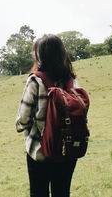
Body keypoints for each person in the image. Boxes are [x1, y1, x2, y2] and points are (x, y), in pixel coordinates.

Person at [16, 34, 79, 197]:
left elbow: (23, 118)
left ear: (39, 55)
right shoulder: (71, 80)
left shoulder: (36, 80)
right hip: (68, 148)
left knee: (39, 193)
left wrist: (22, 127)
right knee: (62, 192)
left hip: (40, 150)